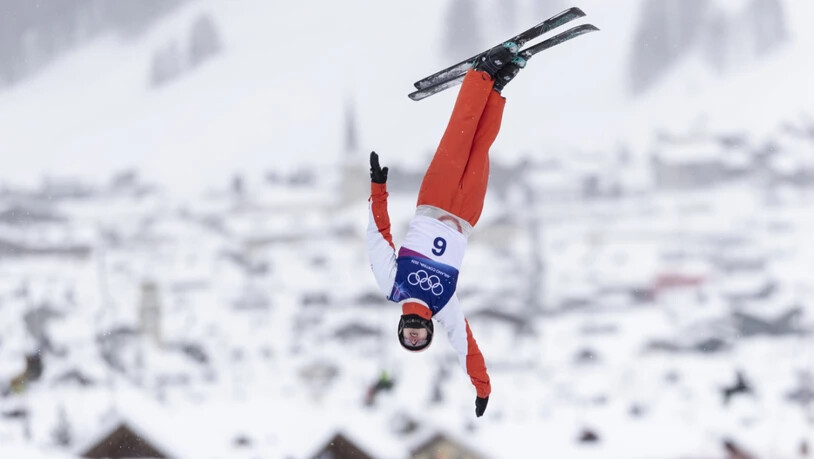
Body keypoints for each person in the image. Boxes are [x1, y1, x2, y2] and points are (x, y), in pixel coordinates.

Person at [366, 43, 526, 418]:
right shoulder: (444, 307)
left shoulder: (392, 285)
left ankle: (481, 74)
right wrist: (482, 387)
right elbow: (465, 346)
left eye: (409, 338)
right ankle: (496, 88)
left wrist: (378, 188)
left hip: (435, 200)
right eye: (419, 340)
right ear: (429, 332)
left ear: (401, 328)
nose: (414, 336)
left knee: (459, 135)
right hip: (466, 215)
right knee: (481, 146)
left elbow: (378, 234)